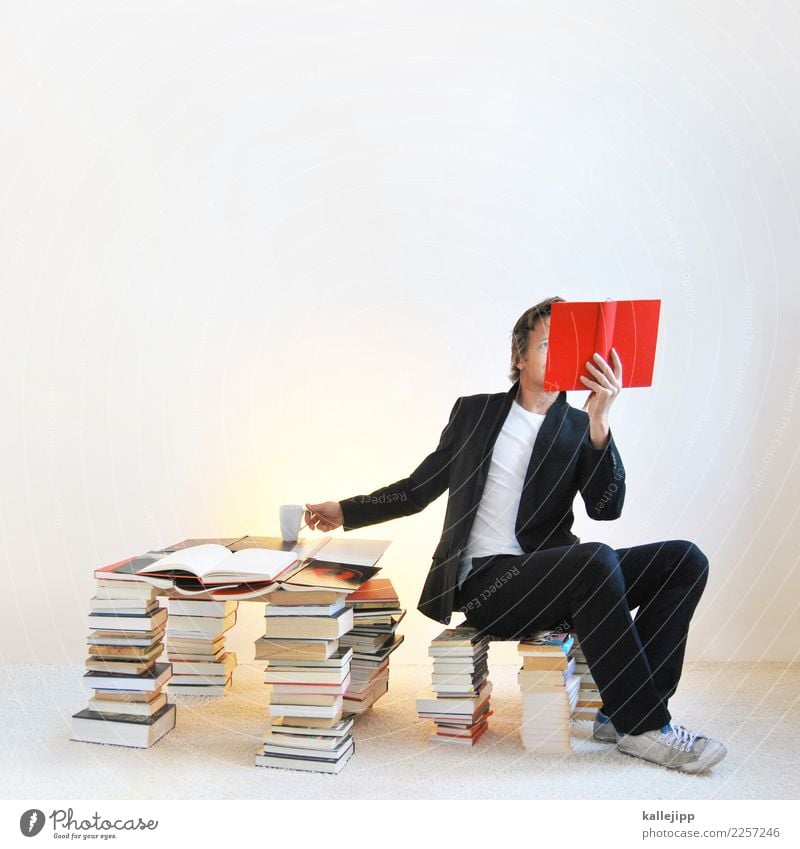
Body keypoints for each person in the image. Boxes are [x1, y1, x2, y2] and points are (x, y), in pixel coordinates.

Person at [305, 296, 726, 774]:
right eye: (547, 344)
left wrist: (600, 423)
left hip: (559, 576)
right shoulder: (475, 414)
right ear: (519, 356)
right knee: (596, 559)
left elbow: (606, 509)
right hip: (490, 587)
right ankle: (646, 728)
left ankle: (619, 715)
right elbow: (418, 489)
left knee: (685, 560)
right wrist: (344, 510)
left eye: (570, 346)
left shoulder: (578, 424)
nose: (559, 354)